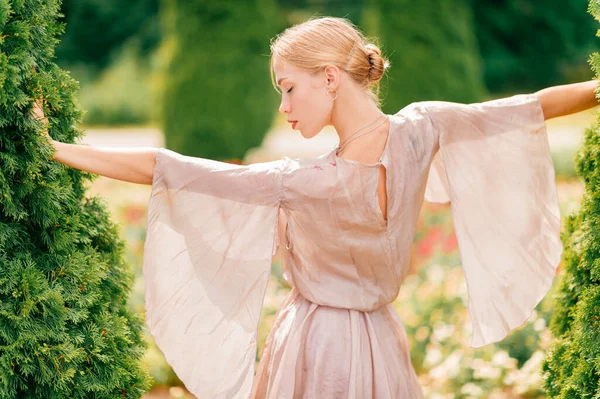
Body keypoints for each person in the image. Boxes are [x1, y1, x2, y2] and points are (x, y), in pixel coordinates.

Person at [32, 15, 599, 399]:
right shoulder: (423, 128)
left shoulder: (299, 181)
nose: (283, 106)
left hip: (315, 342)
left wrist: (55, 149)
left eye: (288, 88)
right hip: (381, 341)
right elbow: (528, 107)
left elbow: (166, 167)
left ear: (330, 78)